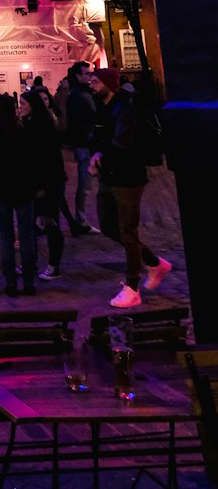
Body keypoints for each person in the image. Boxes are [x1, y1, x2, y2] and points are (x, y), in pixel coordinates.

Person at [90, 66, 172, 308]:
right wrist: (97, 153)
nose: (91, 84)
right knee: (108, 226)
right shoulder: (103, 108)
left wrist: (100, 157)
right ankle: (155, 262)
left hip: (128, 178)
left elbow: (122, 144)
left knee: (128, 232)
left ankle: (132, 287)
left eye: (96, 81)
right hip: (108, 177)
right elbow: (98, 138)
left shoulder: (125, 109)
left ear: (109, 84)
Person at [0, 93, 38, 296]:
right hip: (23, 188)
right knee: (26, 235)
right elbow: (32, 161)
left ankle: (10, 282)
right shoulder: (22, 132)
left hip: (1, 189)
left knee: (6, 236)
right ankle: (29, 281)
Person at [22, 88, 67, 280]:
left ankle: (53, 264)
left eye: (23, 104)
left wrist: (41, 185)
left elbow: (46, 159)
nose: (20, 108)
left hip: (49, 183)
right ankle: (30, 264)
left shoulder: (42, 126)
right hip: (37, 183)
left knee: (50, 222)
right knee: (33, 223)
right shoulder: (29, 123)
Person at [66, 61, 98, 233]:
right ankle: (81, 219)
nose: (89, 76)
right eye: (86, 73)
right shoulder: (79, 96)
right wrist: (88, 140)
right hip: (84, 145)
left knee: (88, 182)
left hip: (86, 143)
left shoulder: (83, 93)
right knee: (85, 183)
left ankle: (82, 218)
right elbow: (79, 123)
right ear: (78, 76)